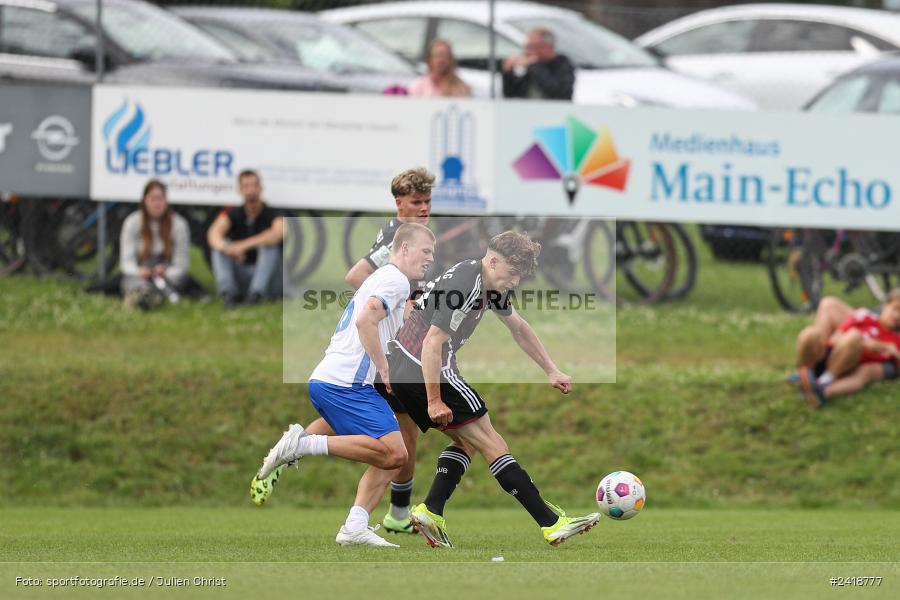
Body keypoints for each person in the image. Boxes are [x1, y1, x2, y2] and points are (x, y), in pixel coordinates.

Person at [388, 231, 601, 548]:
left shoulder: (487, 282)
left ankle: (431, 510)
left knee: (469, 442)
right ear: (493, 261)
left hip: (404, 368)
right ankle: (550, 522)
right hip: (425, 369)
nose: (515, 281)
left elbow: (519, 328)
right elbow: (433, 342)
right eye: (513, 273)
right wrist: (434, 400)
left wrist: (551, 369)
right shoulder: (466, 285)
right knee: (492, 441)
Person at [255, 168, 436, 536]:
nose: (423, 209)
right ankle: (395, 512)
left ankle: (302, 453)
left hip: (365, 356)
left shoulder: (411, 242)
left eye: (427, 202)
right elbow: (357, 276)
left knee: (394, 435)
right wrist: (399, 304)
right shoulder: (395, 243)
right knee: (400, 440)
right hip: (379, 353)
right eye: (416, 202)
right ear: (399, 203)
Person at [790, 291, 900, 408]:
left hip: (850, 365)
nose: (897, 316)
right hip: (835, 353)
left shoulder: (895, 339)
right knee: (809, 334)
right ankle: (806, 373)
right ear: (885, 305)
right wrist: (865, 344)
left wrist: (890, 350)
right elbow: (835, 339)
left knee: (855, 338)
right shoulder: (864, 316)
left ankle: (822, 386)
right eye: (895, 309)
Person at [207, 169, 284, 307]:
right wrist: (228, 249)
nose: (251, 191)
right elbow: (213, 234)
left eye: (255, 185)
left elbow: (278, 233)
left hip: (272, 281)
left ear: (261, 188)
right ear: (240, 190)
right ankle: (228, 294)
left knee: (269, 246)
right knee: (219, 247)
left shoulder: (273, 213)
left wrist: (242, 246)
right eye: (246, 186)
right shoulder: (233, 213)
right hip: (243, 275)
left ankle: (256, 295)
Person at [119, 180, 190, 309]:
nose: (157, 203)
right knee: (132, 281)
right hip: (140, 274)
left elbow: (181, 266)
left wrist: (165, 272)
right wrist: (139, 271)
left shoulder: (179, 225)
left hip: (167, 276)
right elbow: (126, 263)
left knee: (178, 281)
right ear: (144, 200)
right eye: (152, 198)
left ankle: (146, 297)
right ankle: (143, 295)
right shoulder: (132, 222)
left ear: (166, 201)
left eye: (161, 198)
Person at [502, 27, 575, 100]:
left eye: (532, 47)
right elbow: (511, 95)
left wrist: (533, 66)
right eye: (527, 47)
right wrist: (509, 73)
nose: (528, 52)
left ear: (547, 47)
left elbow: (556, 92)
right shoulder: (530, 67)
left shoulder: (562, 64)